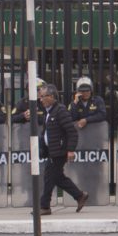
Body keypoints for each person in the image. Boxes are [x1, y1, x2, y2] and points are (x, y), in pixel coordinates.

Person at [37, 84, 88, 216]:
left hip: (59, 151)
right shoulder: (49, 112)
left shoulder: (60, 110)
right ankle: (79, 195)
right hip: (52, 150)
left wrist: (70, 150)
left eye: (43, 96)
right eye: (40, 96)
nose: (40, 99)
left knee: (49, 178)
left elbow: (72, 132)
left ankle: (44, 206)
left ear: (52, 97)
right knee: (58, 178)